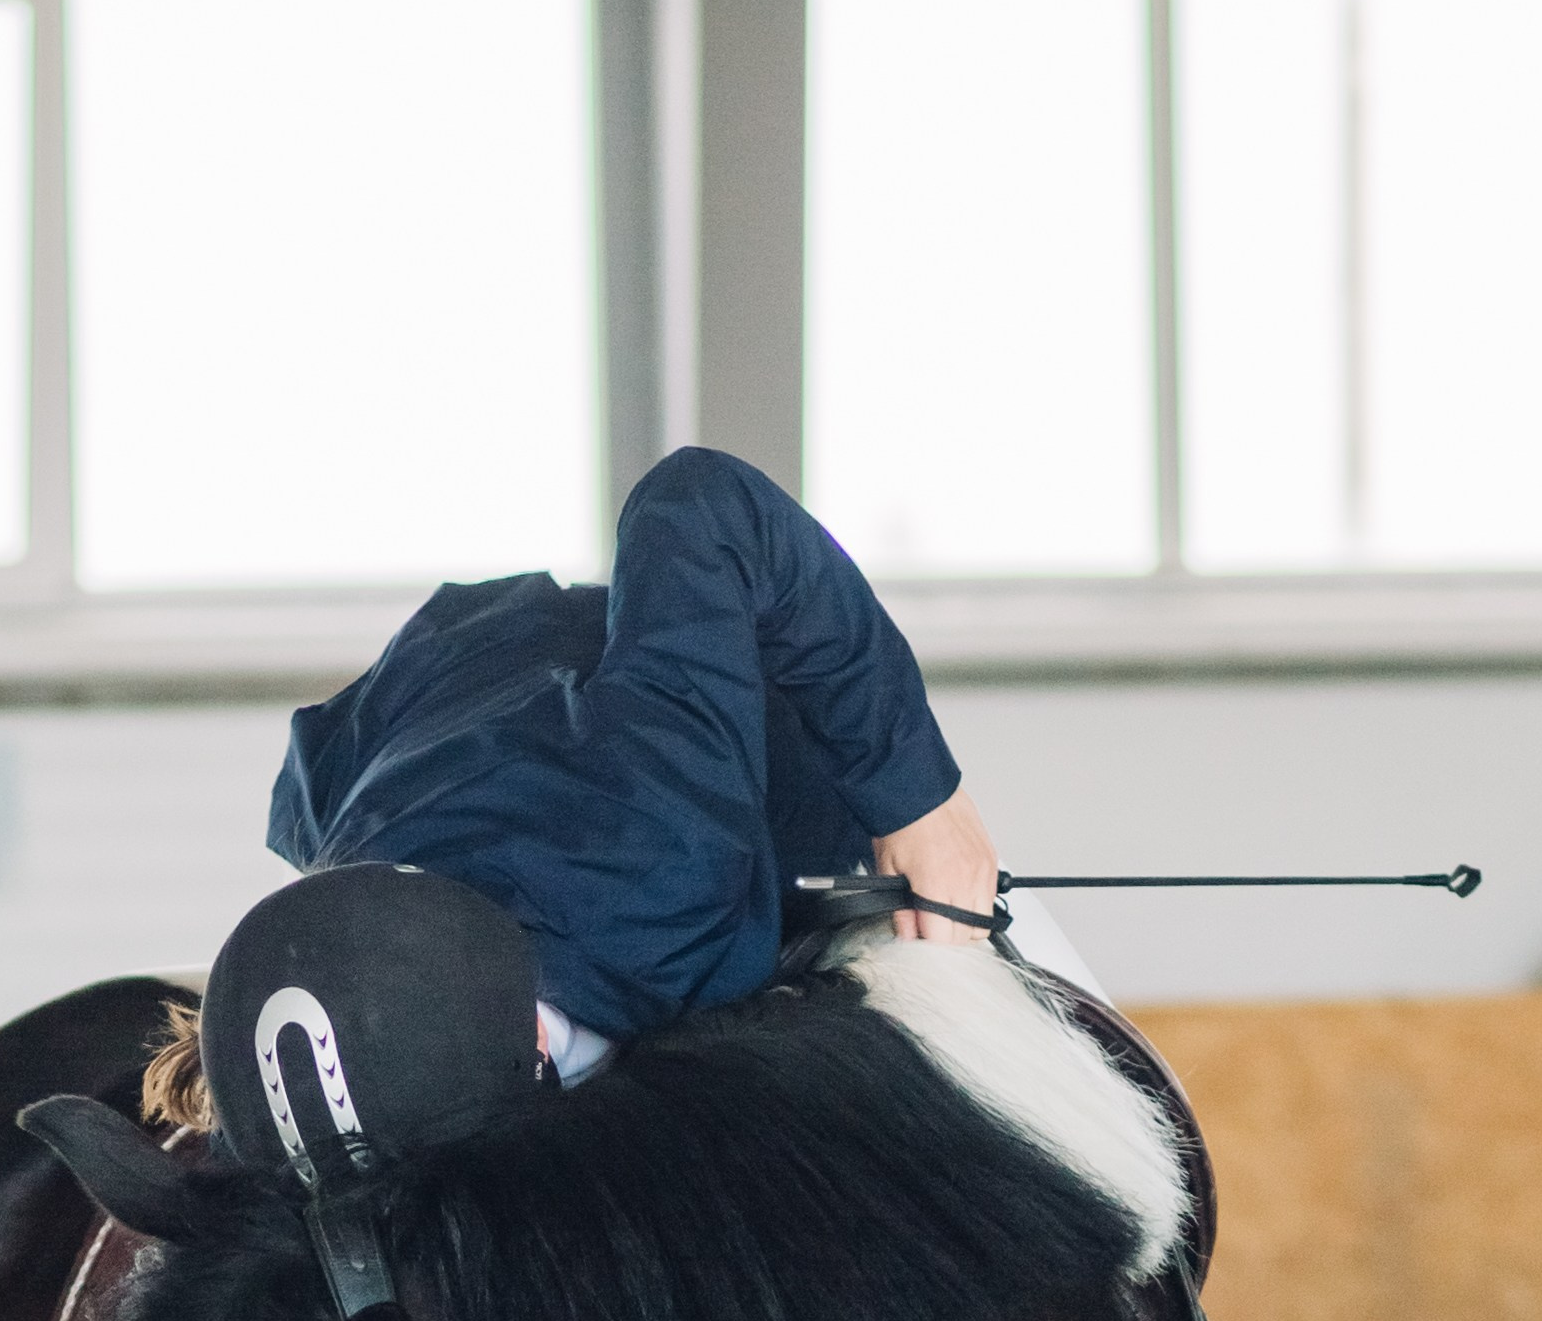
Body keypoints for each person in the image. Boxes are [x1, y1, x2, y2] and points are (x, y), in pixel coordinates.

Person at [267, 442, 1000, 1083]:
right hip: (436, 725)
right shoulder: (327, 900)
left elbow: (700, 501)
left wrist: (919, 805)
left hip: (675, 766)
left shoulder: (658, 886)